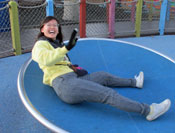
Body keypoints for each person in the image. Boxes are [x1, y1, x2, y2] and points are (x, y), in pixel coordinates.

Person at [32, 16, 171, 121]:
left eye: (55, 25)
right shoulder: (40, 44)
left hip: (72, 78)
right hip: (65, 84)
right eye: (49, 25)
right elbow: (45, 59)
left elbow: (58, 61)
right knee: (107, 94)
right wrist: (66, 49)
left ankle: (134, 82)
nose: (53, 27)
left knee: (103, 76)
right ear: (42, 29)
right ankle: (149, 111)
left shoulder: (55, 44)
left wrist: (71, 65)